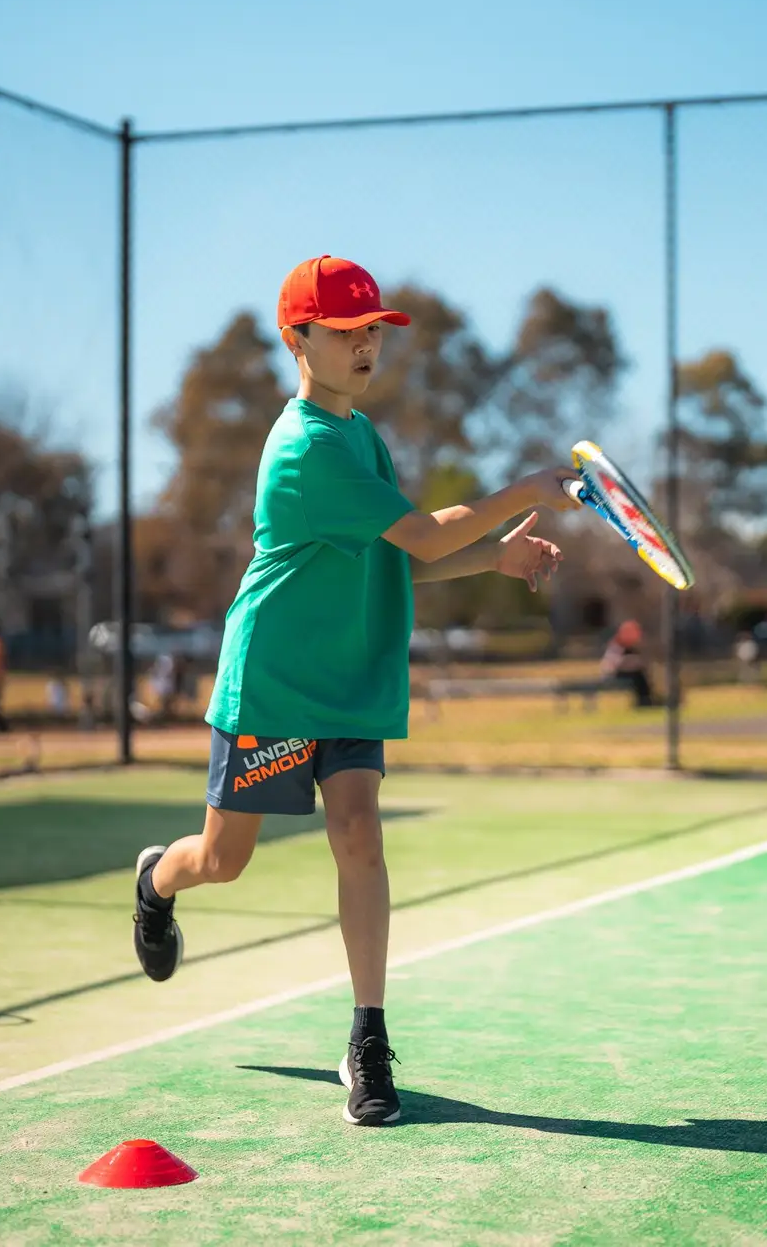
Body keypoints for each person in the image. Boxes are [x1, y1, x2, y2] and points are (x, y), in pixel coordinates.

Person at [129, 256, 574, 1127]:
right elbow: (421, 535)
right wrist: (524, 492)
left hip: (351, 680)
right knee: (223, 861)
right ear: (297, 341)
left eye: (374, 329)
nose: (367, 344)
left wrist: (499, 553)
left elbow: (398, 556)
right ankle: (156, 882)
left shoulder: (361, 435)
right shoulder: (305, 448)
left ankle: (367, 1039)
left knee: (359, 834)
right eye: (345, 331)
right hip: (276, 684)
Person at [602, 618, 655, 707]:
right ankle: (644, 701)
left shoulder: (632, 648)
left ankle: (645, 700)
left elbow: (642, 661)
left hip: (631, 674)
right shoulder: (616, 645)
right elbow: (613, 664)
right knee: (637, 676)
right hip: (614, 675)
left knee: (640, 675)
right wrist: (630, 661)